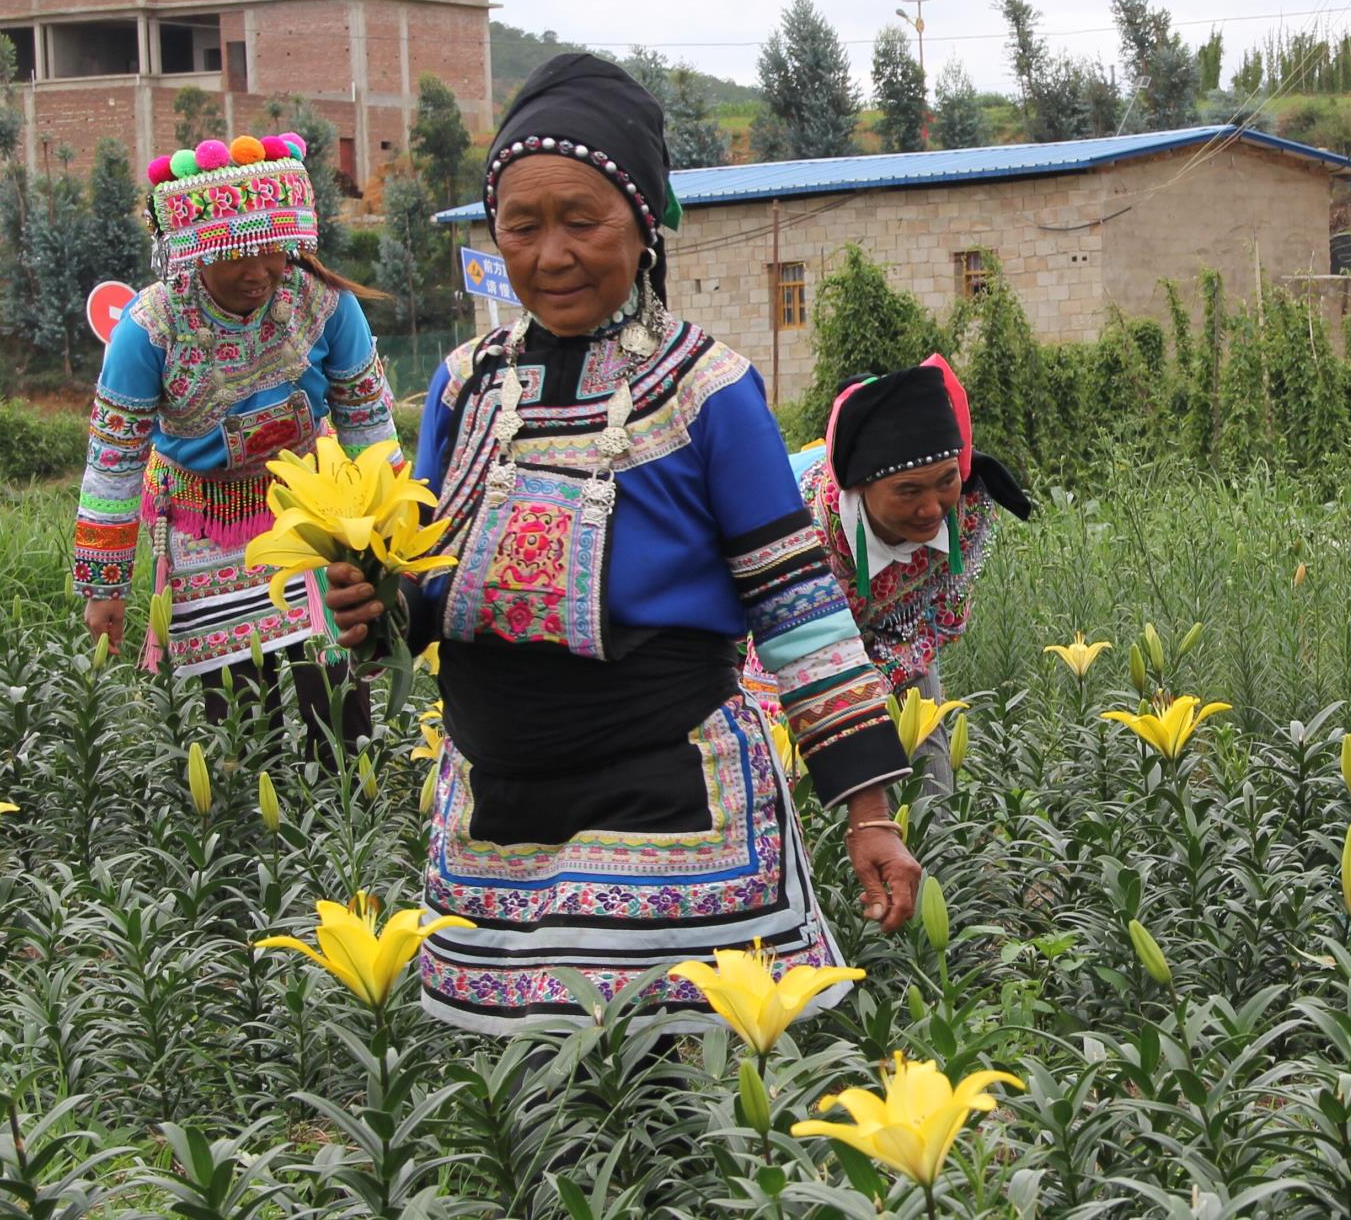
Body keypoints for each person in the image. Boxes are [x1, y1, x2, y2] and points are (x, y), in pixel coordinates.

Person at [321, 53, 922, 1034]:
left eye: (580, 220)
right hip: (496, 821)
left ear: (643, 225)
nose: (550, 253)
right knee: (538, 1127)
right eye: (521, 224)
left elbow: (799, 611)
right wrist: (377, 603)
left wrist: (869, 809)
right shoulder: (464, 385)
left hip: (667, 815)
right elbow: (429, 575)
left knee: (666, 1118)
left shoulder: (705, 389)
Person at [74, 131, 397, 746]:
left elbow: (370, 431)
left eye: (274, 250)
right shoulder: (151, 328)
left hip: (316, 516)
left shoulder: (322, 304)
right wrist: (104, 588)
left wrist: (386, 548)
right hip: (207, 528)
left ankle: (352, 825)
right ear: (194, 252)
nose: (261, 272)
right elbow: (114, 464)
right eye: (237, 254)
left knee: (337, 703)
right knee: (243, 725)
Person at [754, 359, 1031, 791]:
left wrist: (883, 676)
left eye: (944, 482)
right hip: (795, 638)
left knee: (929, 766)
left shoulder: (966, 507)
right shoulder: (803, 534)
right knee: (793, 772)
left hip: (904, 630)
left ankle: (940, 855)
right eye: (908, 491)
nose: (932, 508)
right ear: (858, 488)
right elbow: (776, 664)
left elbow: (942, 618)